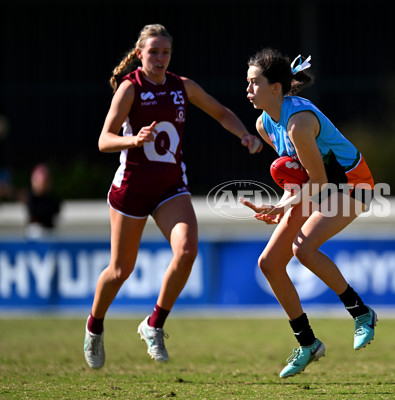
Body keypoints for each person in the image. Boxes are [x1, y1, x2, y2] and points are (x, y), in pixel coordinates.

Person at [83, 24, 262, 369]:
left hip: (170, 187)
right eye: (154, 52)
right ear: (139, 54)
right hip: (132, 188)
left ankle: (154, 325)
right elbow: (104, 140)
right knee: (121, 270)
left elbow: (221, 111)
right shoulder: (129, 89)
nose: (160, 58)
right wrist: (132, 141)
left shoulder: (182, 86)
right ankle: (94, 327)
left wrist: (244, 134)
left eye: (166, 52)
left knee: (187, 250)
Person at [240, 48, 377, 378]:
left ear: (276, 88)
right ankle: (308, 344)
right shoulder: (263, 124)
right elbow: (296, 175)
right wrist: (284, 203)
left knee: (303, 249)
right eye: (247, 83)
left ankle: (361, 314)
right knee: (269, 264)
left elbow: (319, 180)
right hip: (320, 186)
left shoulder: (299, 123)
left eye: (254, 83)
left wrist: (284, 204)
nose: (247, 90)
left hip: (351, 185)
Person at [24, 163, 61, 238]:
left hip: (50, 231)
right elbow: (35, 214)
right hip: (36, 232)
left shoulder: (52, 199)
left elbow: (56, 211)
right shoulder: (30, 198)